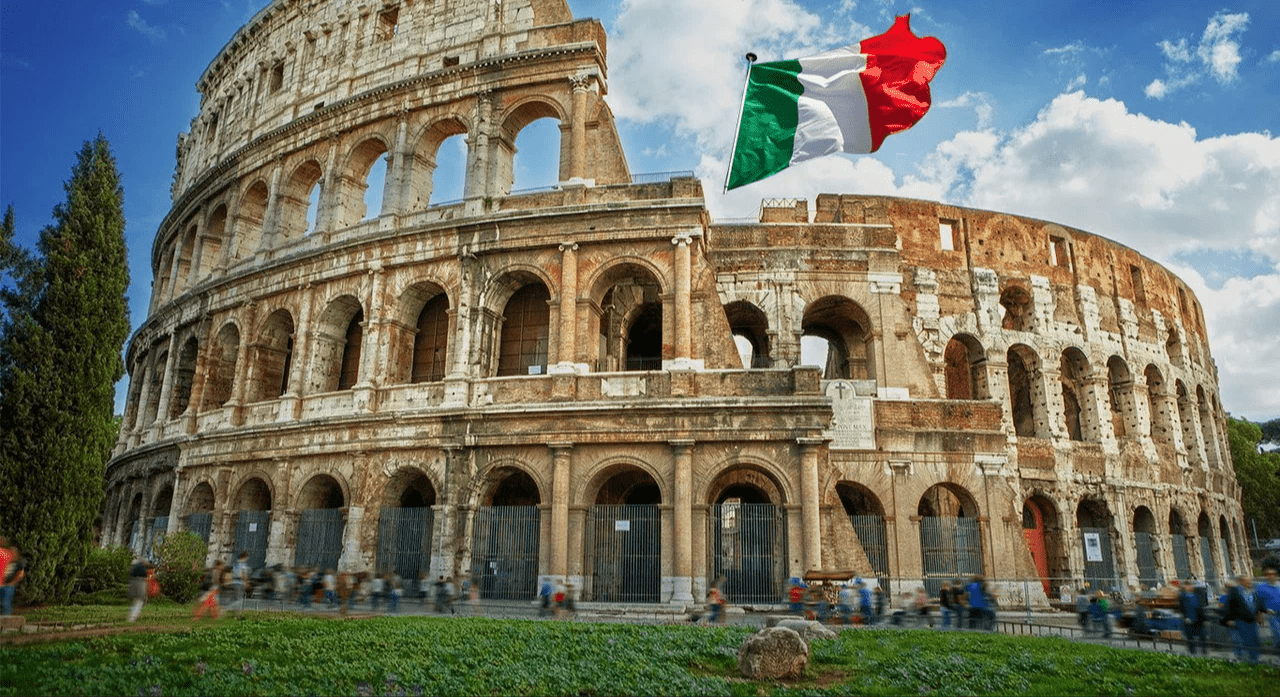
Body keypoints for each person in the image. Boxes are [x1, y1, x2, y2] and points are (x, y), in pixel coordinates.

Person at [1223, 573, 1263, 663]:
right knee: (1247, 640)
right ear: (1241, 582)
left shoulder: (1252, 591)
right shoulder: (1235, 591)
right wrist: (1229, 619)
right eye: (1247, 581)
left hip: (1252, 619)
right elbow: (1229, 605)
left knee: (1255, 639)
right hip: (1241, 619)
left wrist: (1259, 616)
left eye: (1250, 581)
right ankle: (1250, 660)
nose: (1249, 582)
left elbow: (1256, 604)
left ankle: (1254, 658)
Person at [1179, 579, 1207, 655]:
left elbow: (1200, 607)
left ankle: (1203, 651)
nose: (1188, 587)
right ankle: (1193, 653)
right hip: (1189, 620)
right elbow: (1182, 608)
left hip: (1198, 620)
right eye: (1186, 586)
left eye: (1189, 585)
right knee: (1190, 637)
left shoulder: (1196, 595)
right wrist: (1185, 617)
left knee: (1202, 637)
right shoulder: (1182, 596)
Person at [1257, 568, 1280, 656]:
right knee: (1277, 633)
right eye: (1269, 574)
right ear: (1266, 576)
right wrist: (1259, 615)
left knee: (1276, 635)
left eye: (1273, 574)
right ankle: (1276, 653)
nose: (1271, 576)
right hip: (1272, 614)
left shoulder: (1278, 586)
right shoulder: (1261, 587)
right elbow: (1258, 601)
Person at [0, 541, 25, 617]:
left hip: (8, 587)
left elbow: (20, 574)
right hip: (4, 585)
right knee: (3, 604)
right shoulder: (8, 561)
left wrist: (12, 583)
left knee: (5, 604)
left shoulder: (18, 563)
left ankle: (6, 622)